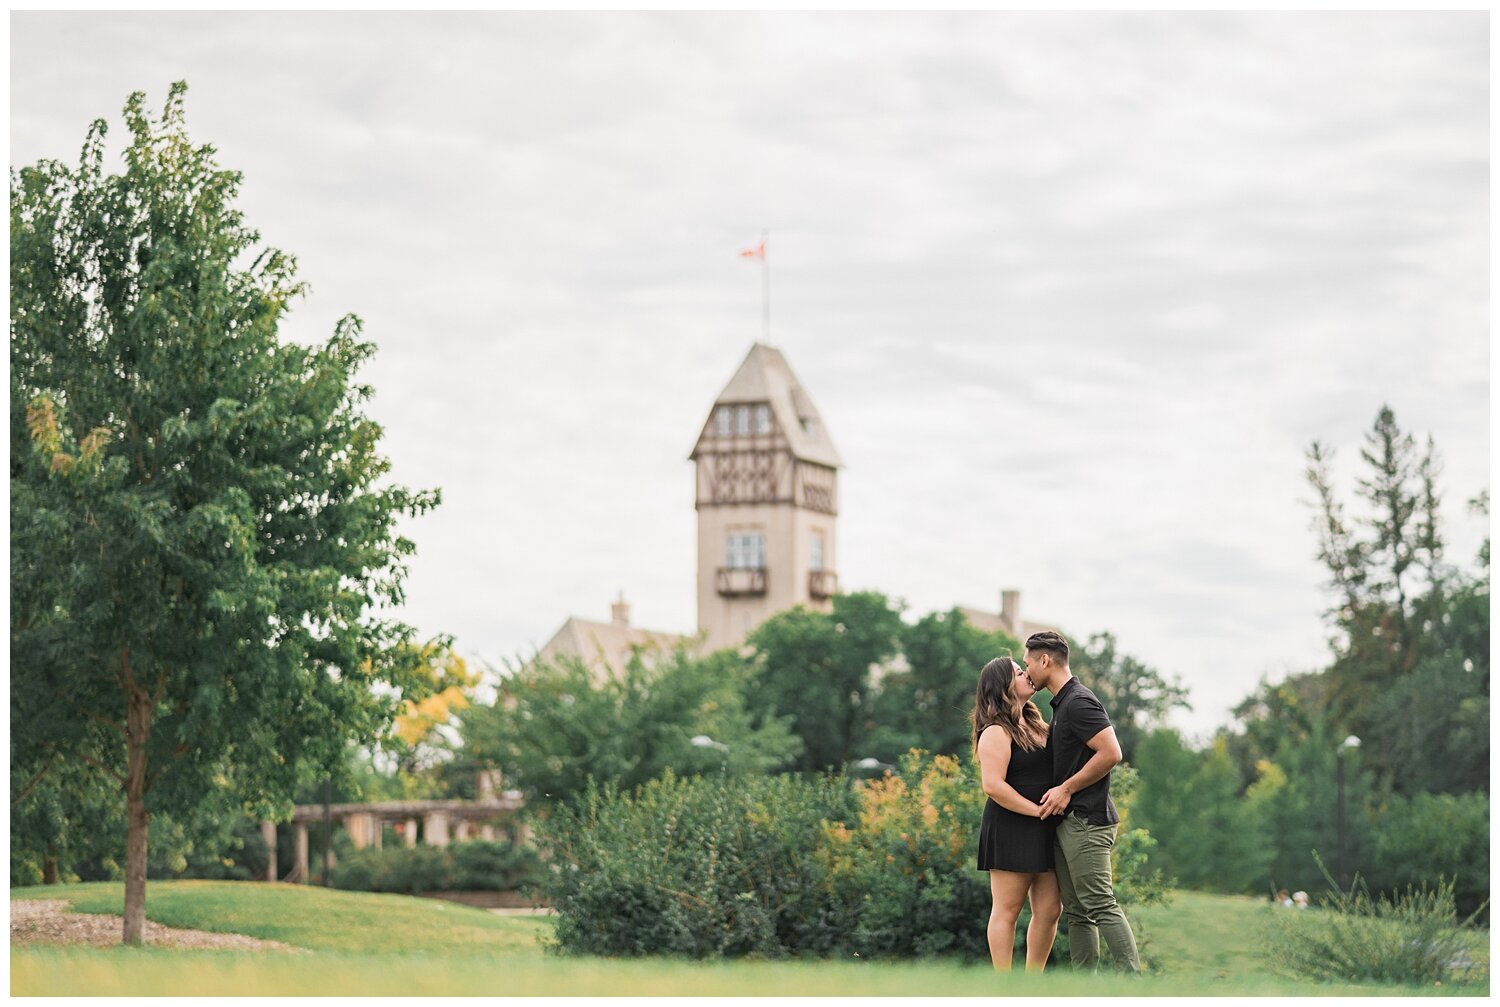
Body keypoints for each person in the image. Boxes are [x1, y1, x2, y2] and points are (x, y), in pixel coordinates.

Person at [1022, 630, 1141, 973]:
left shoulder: (1078, 701)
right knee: (1076, 912)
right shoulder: (1062, 704)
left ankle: (1135, 985)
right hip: (1069, 823)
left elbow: (1111, 752)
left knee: (1100, 903)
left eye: (1028, 662)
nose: (1027, 669)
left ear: (1045, 660)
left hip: (1087, 821)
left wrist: (1066, 789)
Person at [972, 655, 1062, 971]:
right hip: (1011, 826)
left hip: (1046, 826)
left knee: (1050, 909)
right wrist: (1036, 811)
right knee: (1008, 910)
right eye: (1018, 671)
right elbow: (993, 786)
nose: (1026, 673)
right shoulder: (996, 731)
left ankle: (1031, 984)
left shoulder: (1039, 723)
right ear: (1001, 685)